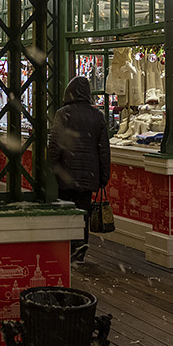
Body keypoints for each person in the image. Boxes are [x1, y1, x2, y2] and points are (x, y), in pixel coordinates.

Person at [48, 75, 111, 263]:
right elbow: (104, 150)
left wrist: (48, 168)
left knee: (65, 210)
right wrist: (103, 176)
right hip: (88, 175)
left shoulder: (63, 114)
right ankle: (80, 246)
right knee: (83, 211)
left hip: (65, 174)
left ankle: (66, 247)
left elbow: (55, 146)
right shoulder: (98, 116)